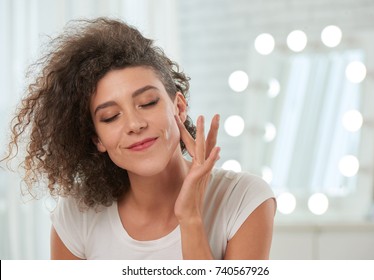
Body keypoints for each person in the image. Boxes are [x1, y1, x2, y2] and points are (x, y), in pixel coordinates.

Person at [4, 17, 276, 260]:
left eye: (147, 102)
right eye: (110, 117)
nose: (134, 124)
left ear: (178, 108)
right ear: (97, 138)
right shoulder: (77, 216)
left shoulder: (244, 199)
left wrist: (190, 218)